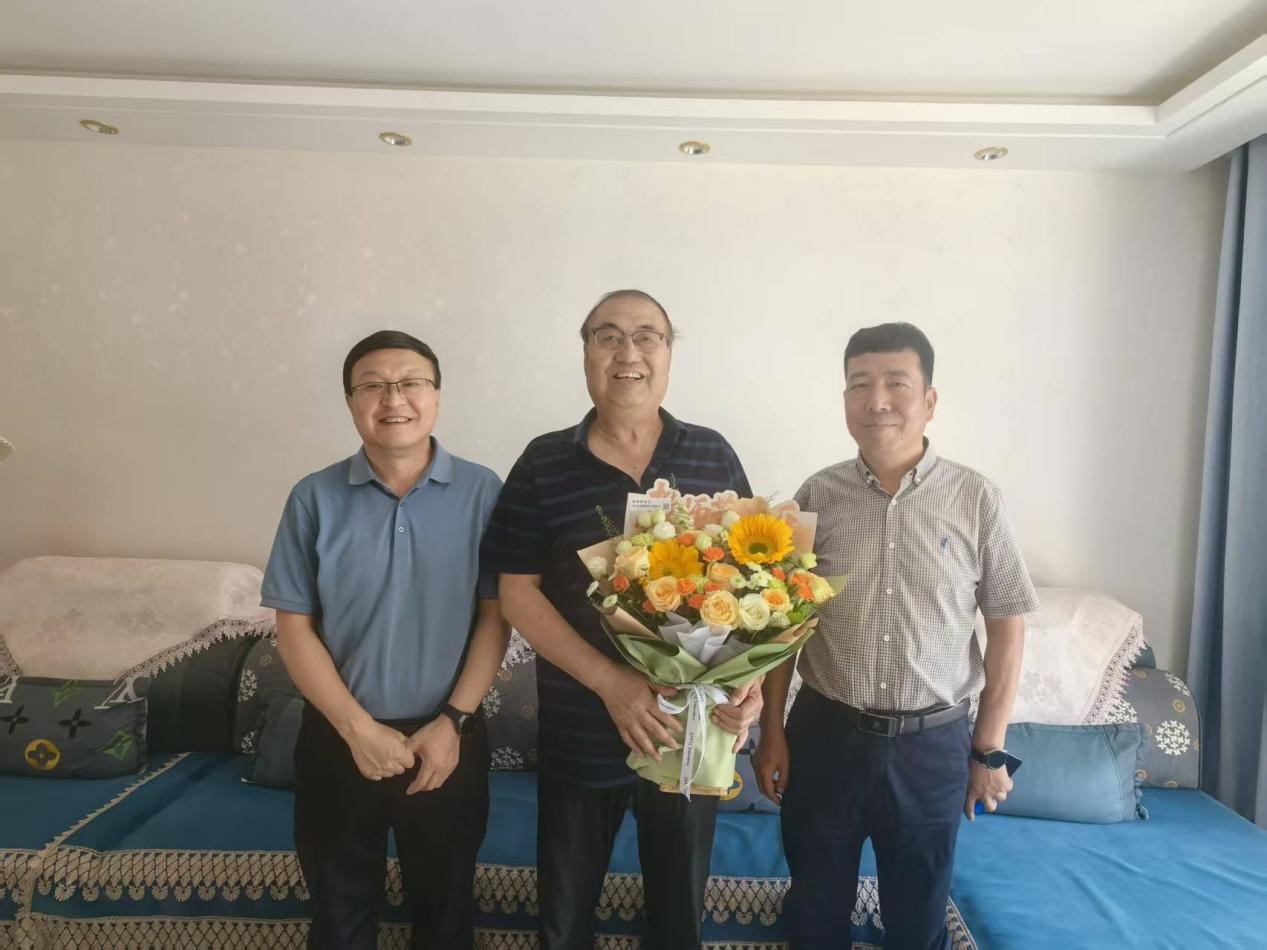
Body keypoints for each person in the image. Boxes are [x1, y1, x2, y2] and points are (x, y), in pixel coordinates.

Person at [482, 290, 761, 949]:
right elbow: (516, 593)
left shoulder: (712, 455)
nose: (627, 352)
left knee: (677, 925)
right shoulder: (543, 462)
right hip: (579, 733)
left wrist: (747, 683)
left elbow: (756, 582)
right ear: (585, 354)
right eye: (607, 336)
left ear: (668, 352)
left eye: (646, 336)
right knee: (563, 924)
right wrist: (612, 684)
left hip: (688, 734)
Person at [754, 322, 1039, 950]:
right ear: (844, 399)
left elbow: (1007, 626)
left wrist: (989, 749)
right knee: (814, 916)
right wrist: (771, 730)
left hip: (931, 748)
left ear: (929, 400)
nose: (877, 400)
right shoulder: (815, 497)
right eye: (860, 385)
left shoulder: (976, 498)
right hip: (825, 738)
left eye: (896, 384)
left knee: (917, 924)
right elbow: (783, 624)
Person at [261, 330, 508, 949]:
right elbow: (293, 627)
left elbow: (495, 618)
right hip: (339, 737)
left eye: (411, 382)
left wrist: (453, 721)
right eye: (372, 385)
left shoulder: (484, 492)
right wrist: (357, 730)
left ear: (437, 395)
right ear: (350, 401)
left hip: (447, 740)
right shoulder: (313, 497)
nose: (393, 399)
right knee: (340, 919)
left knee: (446, 916)